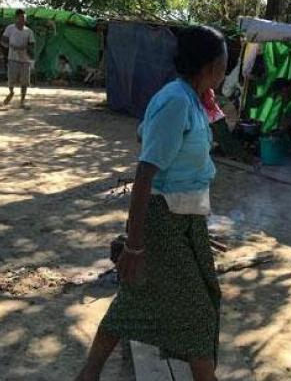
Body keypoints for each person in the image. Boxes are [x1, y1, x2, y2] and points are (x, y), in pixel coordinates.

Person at [76, 25, 227, 381]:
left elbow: (168, 149)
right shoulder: (176, 100)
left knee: (137, 300)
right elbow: (145, 174)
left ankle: (88, 374)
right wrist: (134, 244)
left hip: (183, 221)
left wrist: (198, 227)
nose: (225, 72)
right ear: (209, 67)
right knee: (198, 312)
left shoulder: (192, 98)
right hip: (163, 223)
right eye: (224, 64)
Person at [1, 9, 36, 109]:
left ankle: (22, 102)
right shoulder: (10, 28)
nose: (22, 21)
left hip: (25, 59)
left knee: (24, 82)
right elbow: (2, 41)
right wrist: (10, 46)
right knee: (11, 80)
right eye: (21, 18)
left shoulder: (29, 31)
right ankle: (11, 92)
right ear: (16, 18)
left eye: (24, 19)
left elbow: (32, 45)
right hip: (12, 58)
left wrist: (25, 48)